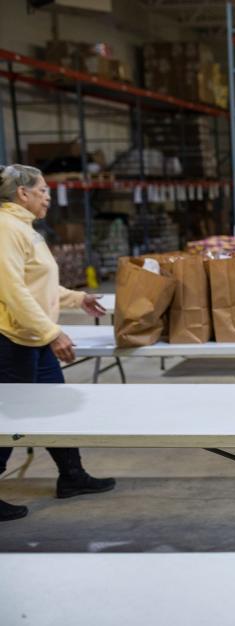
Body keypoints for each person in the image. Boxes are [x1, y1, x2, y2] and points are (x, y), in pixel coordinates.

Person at [0, 164, 116, 522]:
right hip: (13, 340)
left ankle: (72, 476)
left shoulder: (26, 228)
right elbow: (13, 291)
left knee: (55, 407)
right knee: (9, 421)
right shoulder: (5, 228)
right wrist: (54, 334)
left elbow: (40, 284)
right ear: (23, 193)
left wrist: (75, 298)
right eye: (43, 190)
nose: (48, 196)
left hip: (34, 336)